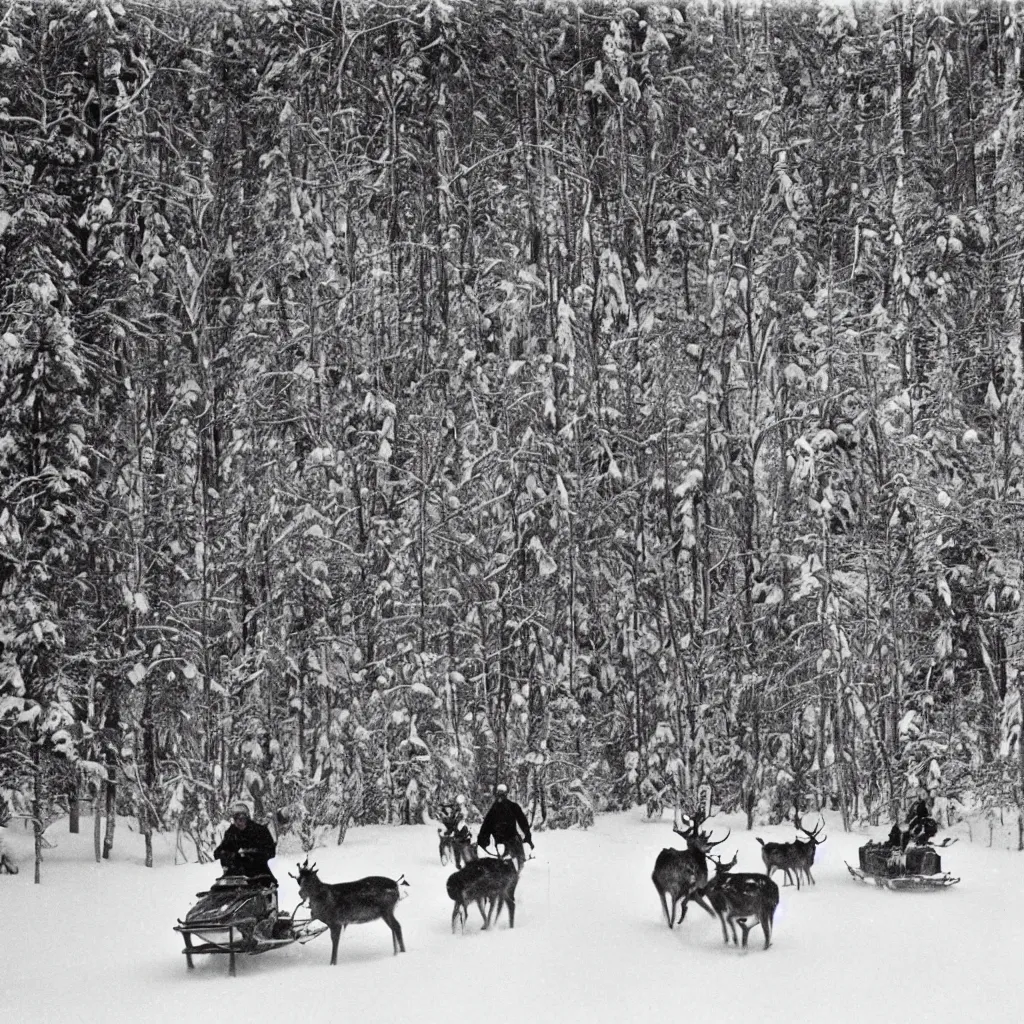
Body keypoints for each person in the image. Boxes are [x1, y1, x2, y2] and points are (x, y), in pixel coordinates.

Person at [213, 801, 277, 886]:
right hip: (234, 874)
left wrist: (254, 853)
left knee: (265, 888)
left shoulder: (259, 831)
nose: (239, 822)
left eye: (242, 819)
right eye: (236, 819)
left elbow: (271, 851)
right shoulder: (231, 833)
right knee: (219, 889)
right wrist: (224, 853)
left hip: (258, 873)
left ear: (247, 818)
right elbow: (220, 849)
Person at [477, 784, 533, 868]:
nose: (500, 796)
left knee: (516, 860)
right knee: (509, 862)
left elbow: (523, 822)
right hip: (504, 841)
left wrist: (527, 836)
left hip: (509, 839)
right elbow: (486, 826)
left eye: (502, 793)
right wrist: (482, 840)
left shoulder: (510, 807)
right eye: (499, 793)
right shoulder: (496, 809)